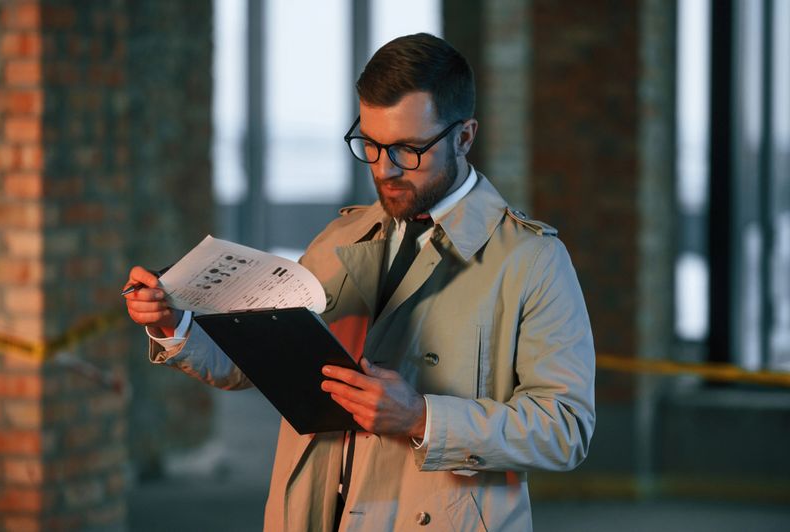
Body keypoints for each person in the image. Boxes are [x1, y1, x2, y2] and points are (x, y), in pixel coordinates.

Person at [124, 33, 595, 531]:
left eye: (409, 150)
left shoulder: (532, 259)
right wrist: (178, 325)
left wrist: (420, 417)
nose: (383, 169)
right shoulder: (341, 236)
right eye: (370, 144)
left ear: (464, 137)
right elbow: (258, 365)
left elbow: (565, 428)